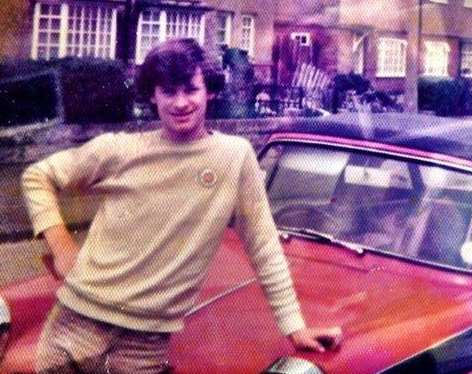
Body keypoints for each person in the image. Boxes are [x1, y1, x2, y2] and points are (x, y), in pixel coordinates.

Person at [21, 38, 342, 373]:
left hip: (146, 342)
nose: (180, 103)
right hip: (76, 321)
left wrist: (295, 328)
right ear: (152, 95)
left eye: (191, 90)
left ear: (210, 92)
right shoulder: (120, 150)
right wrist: (61, 247)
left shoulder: (234, 156)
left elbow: (264, 246)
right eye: (168, 92)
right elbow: (37, 177)